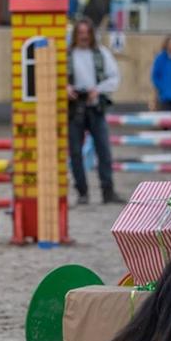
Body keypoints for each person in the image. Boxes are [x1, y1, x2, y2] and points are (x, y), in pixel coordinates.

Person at [67, 17, 125, 205]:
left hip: (95, 107)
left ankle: (108, 191)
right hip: (74, 108)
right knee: (75, 152)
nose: (83, 37)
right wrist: (66, 88)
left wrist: (97, 90)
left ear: (91, 34)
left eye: (86, 33)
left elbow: (114, 78)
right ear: (76, 35)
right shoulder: (67, 54)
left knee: (104, 151)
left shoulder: (102, 53)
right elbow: (56, 77)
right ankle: (82, 192)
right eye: (80, 33)